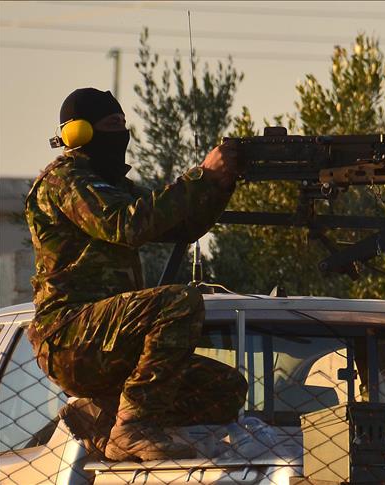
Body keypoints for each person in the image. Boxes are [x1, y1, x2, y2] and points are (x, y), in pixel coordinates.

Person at [25, 87, 248, 461]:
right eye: (113, 124)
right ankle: (132, 428)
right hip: (70, 335)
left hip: (111, 339)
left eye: (123, 124)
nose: (122, 133)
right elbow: (127, 225)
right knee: (179, 302)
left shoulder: (114, 187)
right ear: (80, 132)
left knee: (224, 388)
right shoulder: (65, 180)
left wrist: (219, 184)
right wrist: (199, 176)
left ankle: (105, 418)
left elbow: (184, 225)